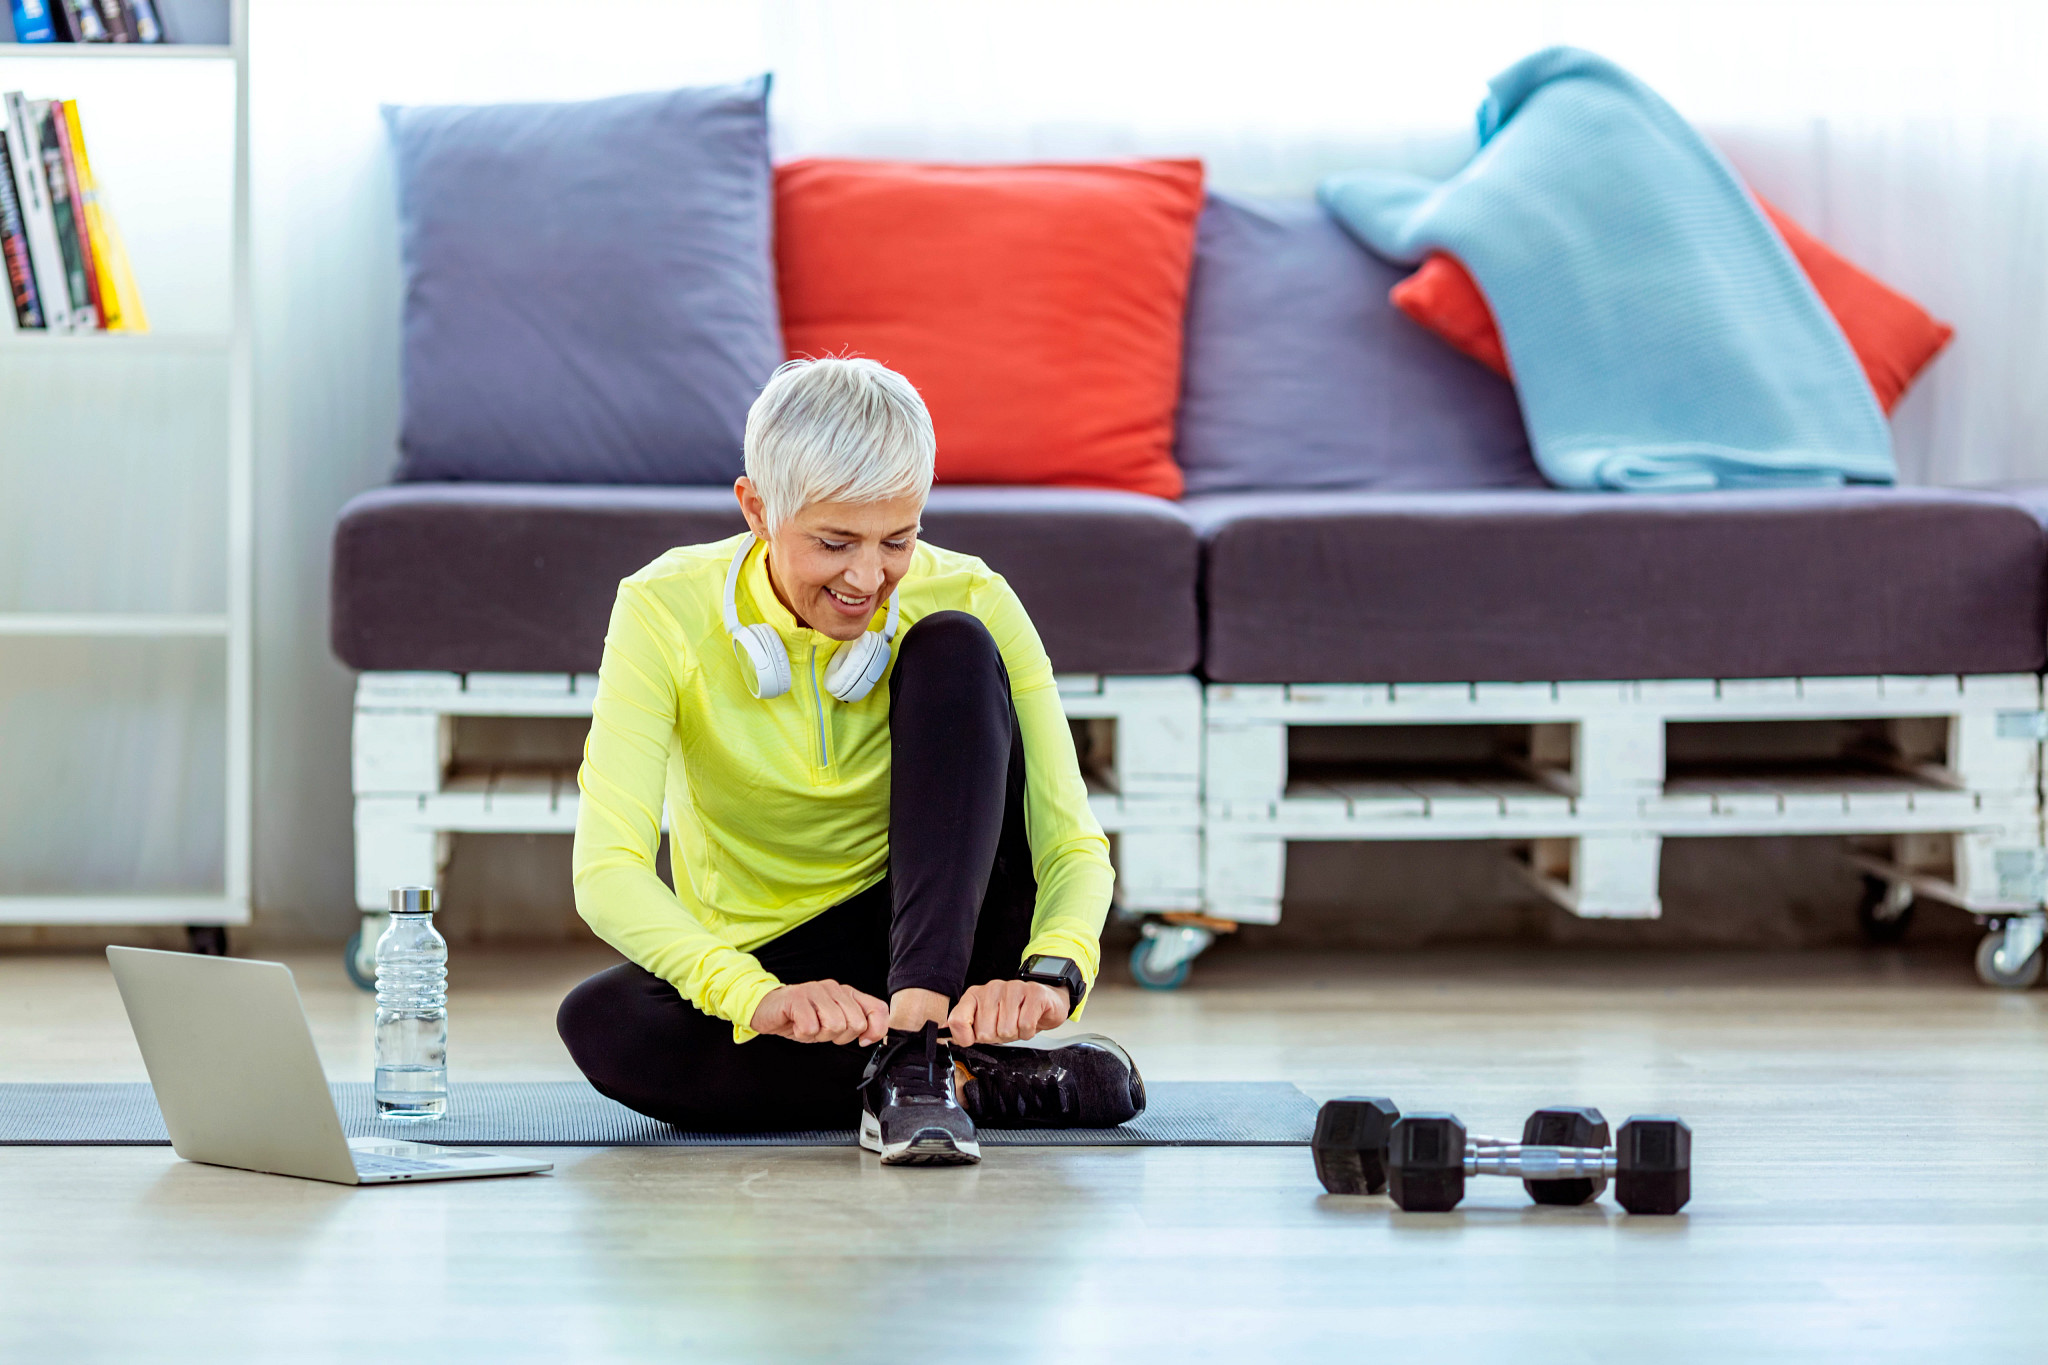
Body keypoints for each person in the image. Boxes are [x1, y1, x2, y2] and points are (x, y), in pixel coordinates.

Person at [556, 356, 1144, 1165]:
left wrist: (1053, 969)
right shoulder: (662, 607)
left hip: (951, 919)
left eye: (897, 540)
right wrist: (754, 995)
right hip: (789, 965)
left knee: (956, 649)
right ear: (756, 509)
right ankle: (961, 1077)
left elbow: (1071, 841)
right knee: (603, 1027)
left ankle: (912, 1045)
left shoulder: (972, 593)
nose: (868, 578)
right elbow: (607, 870)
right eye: (834, 542)